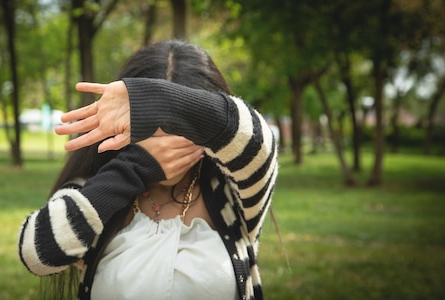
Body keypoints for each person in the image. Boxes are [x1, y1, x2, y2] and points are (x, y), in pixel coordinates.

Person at [18, 40, 278, 300]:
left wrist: (155, 100)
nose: (163, 143)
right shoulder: (99, 188)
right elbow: (37, 253)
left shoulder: (234, 192)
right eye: (148, 127)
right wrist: (135, 169)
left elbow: (255, 137)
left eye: (181, 127)